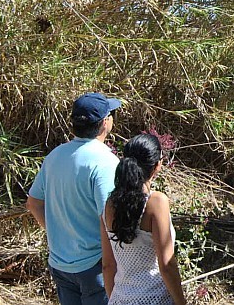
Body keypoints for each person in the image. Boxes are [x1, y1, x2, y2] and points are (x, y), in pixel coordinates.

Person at [26, 92, 122, 305]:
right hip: (94, 266)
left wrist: (58, 234)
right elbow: (109, 217)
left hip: (60, 263)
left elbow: (33, 203)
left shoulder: (55, 156)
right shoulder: (105, 161)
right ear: (105, 122)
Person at [100, 133, 187, 305]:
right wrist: (181, 302)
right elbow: (166, 264)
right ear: (157, 165)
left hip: (120, 299)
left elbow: (108, 265)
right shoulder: (156, 202)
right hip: (155, 298)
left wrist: (115, 299)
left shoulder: (109, 205)